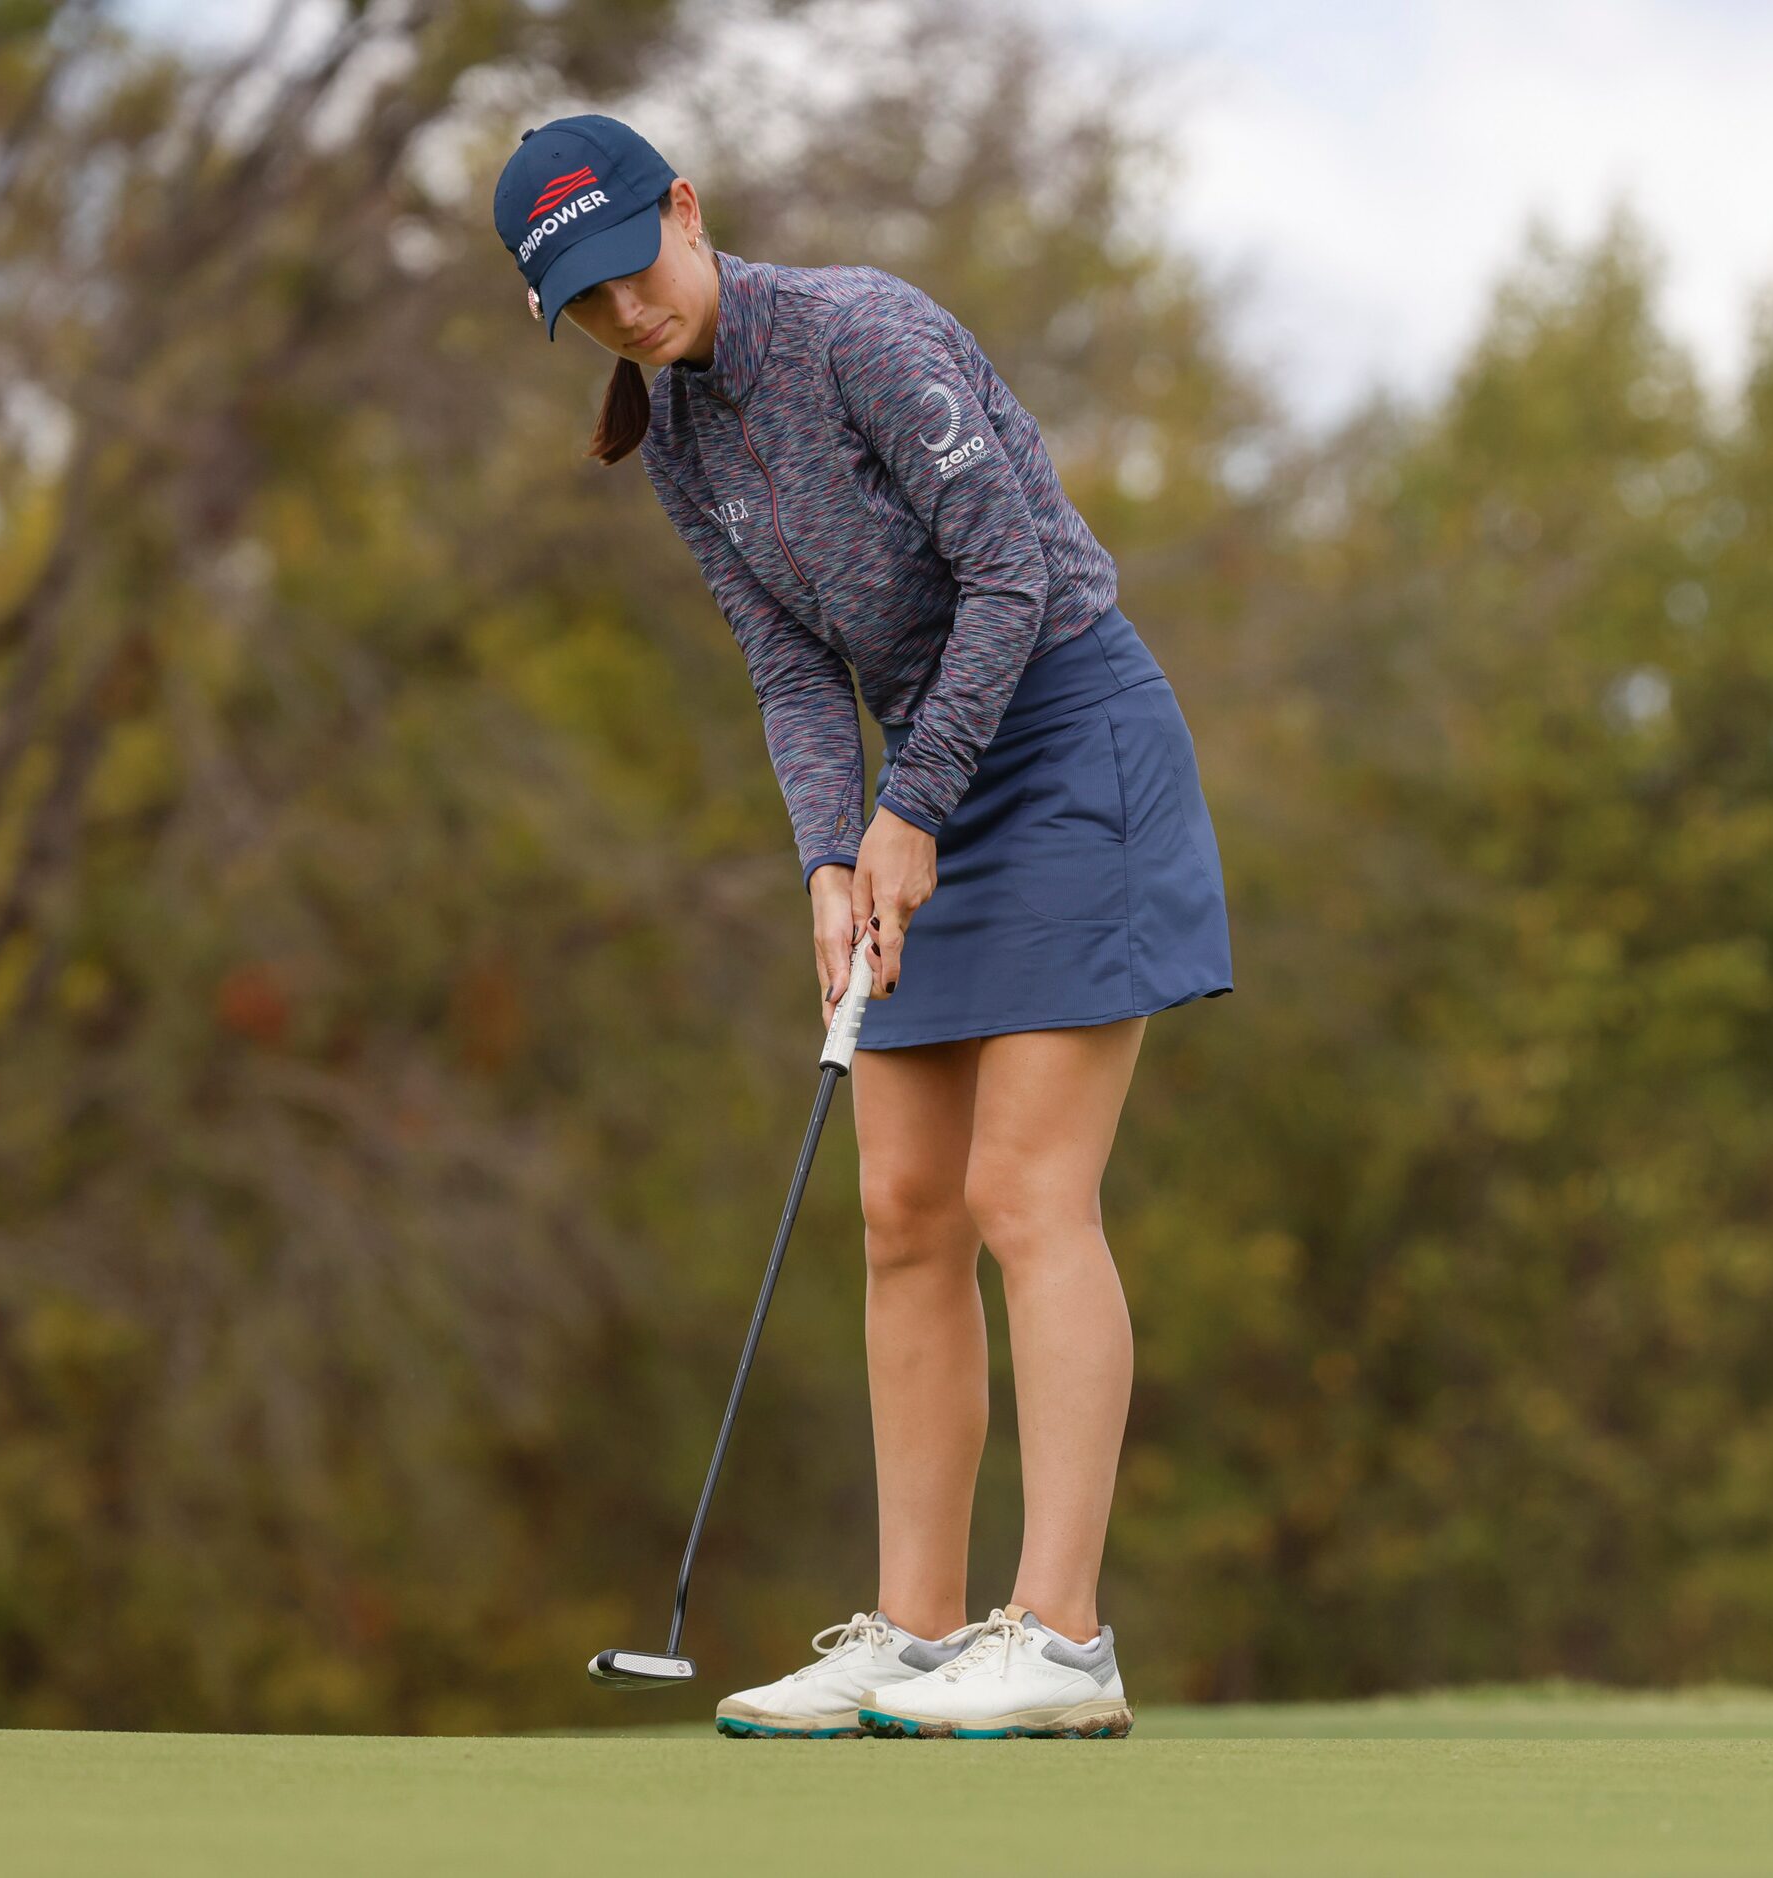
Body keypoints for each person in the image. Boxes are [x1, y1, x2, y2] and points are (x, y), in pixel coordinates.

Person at [492, 114, 1233, 1741]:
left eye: (631, 272)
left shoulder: (863, 333)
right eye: (587, 308)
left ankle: (1062, 1637)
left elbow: (1012, 582)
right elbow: (785, 667)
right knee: (903, 1208)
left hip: (1070, 743)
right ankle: (911, 1633)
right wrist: (831, 854)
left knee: (1027, 1189)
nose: (627, 316)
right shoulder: (678, 442)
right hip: (924, 789)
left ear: (684, 210)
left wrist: (914, 810)